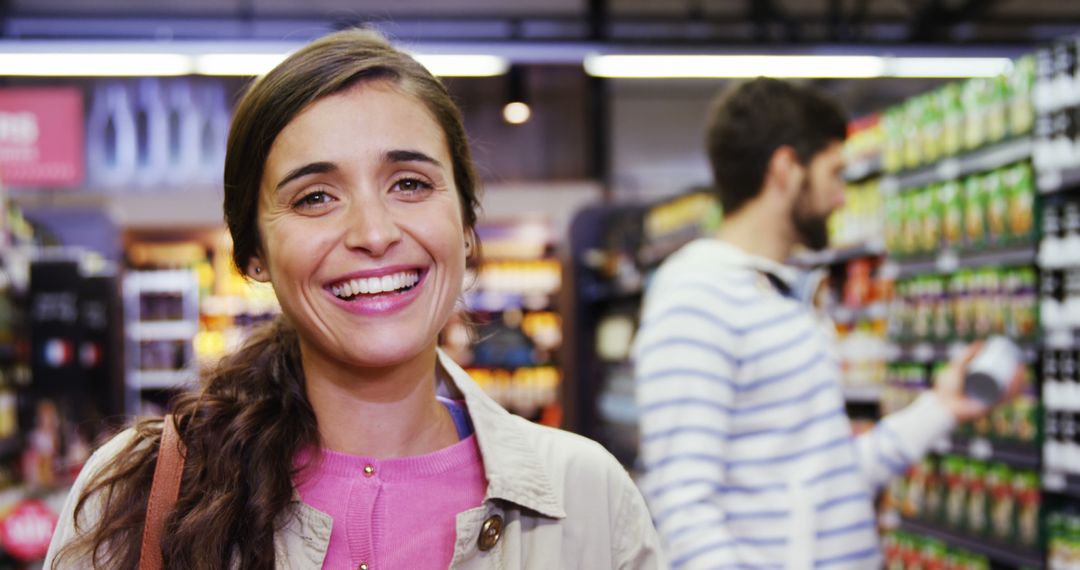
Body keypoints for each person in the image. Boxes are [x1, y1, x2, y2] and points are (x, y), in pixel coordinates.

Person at [45, 29, 664, 570]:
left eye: (410, 183)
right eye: (315, 196)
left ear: (466, 225)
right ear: (254, 253)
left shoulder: (589, 498)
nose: (373, 233)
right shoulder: (141, 491)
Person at [632, 77, 1023, 569]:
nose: (842, 198)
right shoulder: (698, 295)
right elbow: (682, 504)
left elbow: (826, 479)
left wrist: (942, 406)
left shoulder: (776, 292)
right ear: (786, 168)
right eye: (835, 173)